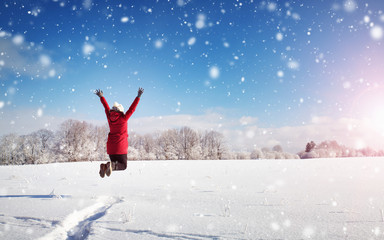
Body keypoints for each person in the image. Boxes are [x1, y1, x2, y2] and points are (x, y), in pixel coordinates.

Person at [95, 87, 144, 178]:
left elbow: (106, 108)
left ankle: (105, 166)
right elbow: (132, 109)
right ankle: (108, 166)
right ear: (121, 111)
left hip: (111, 148)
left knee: (113, 164)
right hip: (120, 147)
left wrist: (101, 97)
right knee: (123, 166)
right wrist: (138, 96)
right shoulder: (123, 118)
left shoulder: (110, 117)